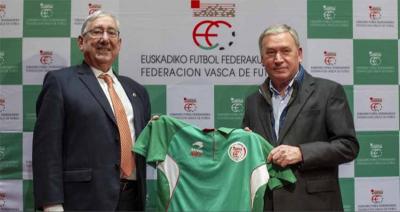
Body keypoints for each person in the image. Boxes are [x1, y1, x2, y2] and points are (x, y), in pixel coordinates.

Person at [32, 10, 151, 211]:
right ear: (81, 42)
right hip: (82, 202)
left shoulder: (137, 91)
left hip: (132, 201)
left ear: (119, 44)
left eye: (111, 33)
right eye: (97, 32)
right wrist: (51, 204)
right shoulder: (60, 83)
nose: (105, 39)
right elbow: (46, 151)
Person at [242, 24, 359, 211]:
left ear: (299, 53)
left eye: (285, 51)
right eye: (270, 52)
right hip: (267, 204)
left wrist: (301, 153)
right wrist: (245, 143)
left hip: (313, 205)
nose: (278, 59)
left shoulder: (328, 92)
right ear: (262, 59)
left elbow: (348, 147)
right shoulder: (252, 101)